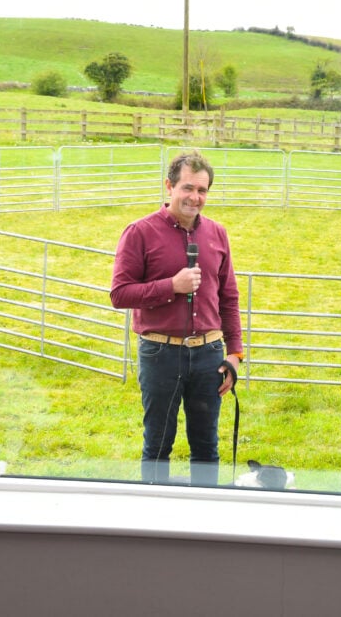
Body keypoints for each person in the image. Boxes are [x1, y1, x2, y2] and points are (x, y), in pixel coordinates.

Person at [110, 150, 244, 486]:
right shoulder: (139, 232)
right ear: (168, 186)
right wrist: (172, 286)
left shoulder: (218, 233)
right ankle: (155, 526)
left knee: (206, 447)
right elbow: (120, 294)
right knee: (158, 444)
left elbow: (228, 296)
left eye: (202, 190)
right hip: (160, 354)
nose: (195, 197)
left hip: (209, 355)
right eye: (187, 188)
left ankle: (205, 525)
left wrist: (235, 353)